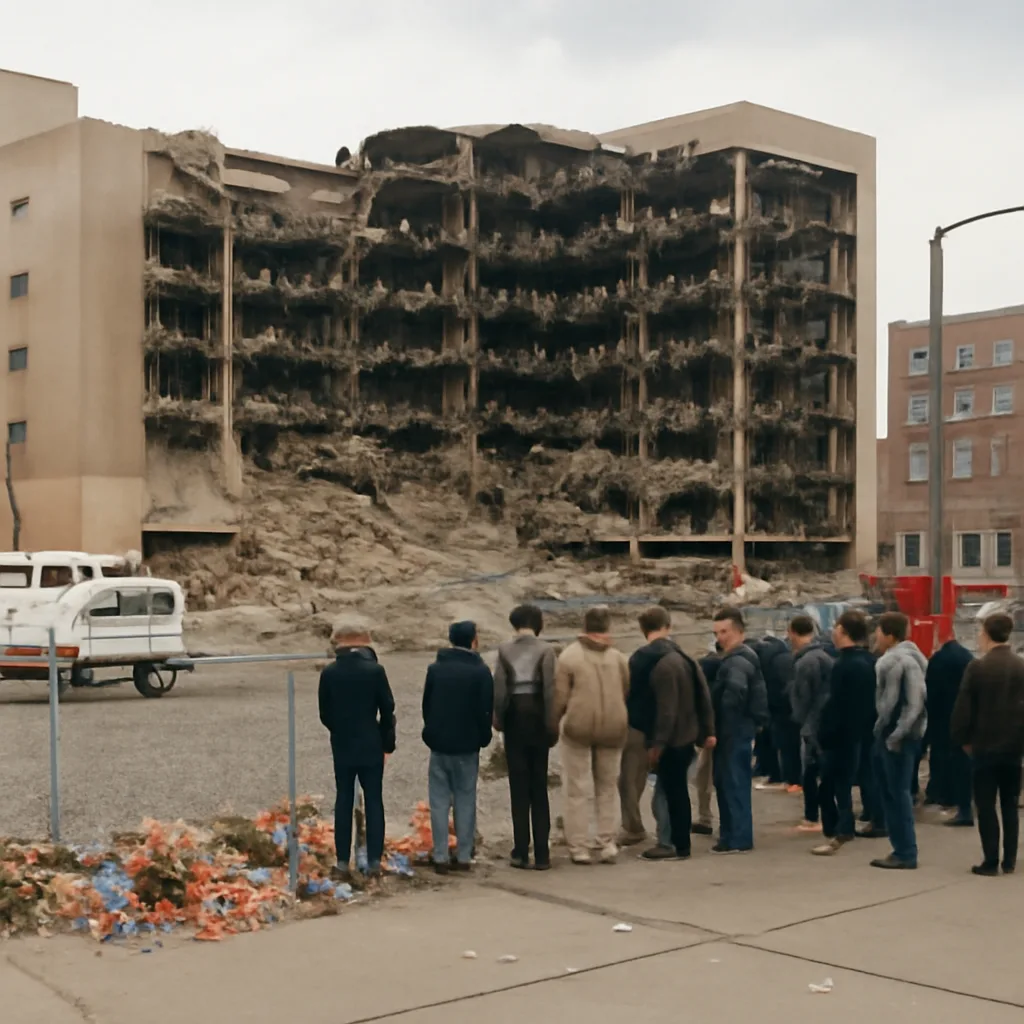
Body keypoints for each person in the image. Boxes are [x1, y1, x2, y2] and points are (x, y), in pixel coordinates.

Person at [628, 607, 715, 861]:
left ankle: (671, 844)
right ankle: (679, 843)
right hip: (687, 735)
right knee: (676, 792)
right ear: (668, 626)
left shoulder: (645, 661)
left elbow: (664, 710)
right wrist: (707, 730)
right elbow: (703, 695)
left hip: (668, 739)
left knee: (666, 795)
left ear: (643, 630)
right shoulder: (683, 657)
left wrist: (657, 744)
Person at [318, 615, 396, 879]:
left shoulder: (329, 672)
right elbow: (388, 710)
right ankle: (374, 860)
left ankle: (342, 860)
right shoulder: (375, 671)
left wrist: (339, 730)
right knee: (374, 800)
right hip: (371, 742)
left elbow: (324, 713)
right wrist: (387, 742)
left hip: (342, 743)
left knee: (343, 799)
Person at [553, 605, 630, 865]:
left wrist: (554, 723)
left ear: (583, 626)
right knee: (608, 787)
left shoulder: (569, 657)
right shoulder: (618, 658)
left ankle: (579, 847)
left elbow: (560, 698)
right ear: (607, 628)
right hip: (614, 726)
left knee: (577, 788)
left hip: (579, 728)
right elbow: (625, 689)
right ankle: (607, 842)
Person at [951, 612, 1024, 876]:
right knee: (1009, 803)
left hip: (984, 745)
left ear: (986, 633)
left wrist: (962, 738)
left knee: (985, 804)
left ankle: (990, 860)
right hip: (1014, 748)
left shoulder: (978, 667)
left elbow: (964, 708)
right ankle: (1010, 860)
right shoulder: (1020, 665)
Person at [422, 621, 494, 874]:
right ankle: (464, 854)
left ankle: (440, 854)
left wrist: (430, 731)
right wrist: (483, 737)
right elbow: (485, 710)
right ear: (473, 641)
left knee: (439, 801)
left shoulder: (435, 669)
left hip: (439, 744)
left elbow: (426, 706)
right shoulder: (481, 672)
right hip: (467, 745)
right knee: (465, 799)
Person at [493, 604, 558, 870]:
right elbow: (551, 689)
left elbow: (499, 689)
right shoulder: (547, 650)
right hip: (538, 717)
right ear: (538, 623)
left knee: (518, 787)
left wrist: (498, 719)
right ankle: (542, 854)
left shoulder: (504, 651)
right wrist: (551, 725)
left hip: (514, 719)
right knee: (539, 786)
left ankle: (520, 851)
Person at [812, 610, 877, 855]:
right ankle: (850, 827)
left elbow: (837, 705)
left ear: (843, 632)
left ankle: (839, 832)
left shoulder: (845, 665)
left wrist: (825, 734)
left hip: (842, 736)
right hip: (864, 733)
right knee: (849, 783)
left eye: (836, 629)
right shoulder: (869, 661)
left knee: (832, 786)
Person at [870, 612, 928, 870]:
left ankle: (904, 851)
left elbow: (911, 704)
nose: (875, 636)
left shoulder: (896, 662)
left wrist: (894, 734)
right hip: (904, 736)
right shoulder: (914, 658)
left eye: (879, 632)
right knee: (895, 792)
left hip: (897, 737)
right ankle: (901, 849)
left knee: (897, 794)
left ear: (889, 635)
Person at [709, 608, 769, 853]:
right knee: (728, 783)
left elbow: (734, 695)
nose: (720, 637)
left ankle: (739, 838)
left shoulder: (738, 661)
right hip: (736, 730)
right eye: (717, 632)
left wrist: (720, 725)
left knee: (733, 784)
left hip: (734, 731)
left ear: (739, 632)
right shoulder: (740, 658)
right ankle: (731, 836)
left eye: (725, 631)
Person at [788, 615, 835, 833]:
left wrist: (798, 719)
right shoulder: (826, 655)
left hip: (810, 724)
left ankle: (812, 817)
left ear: (792, 632)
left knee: (809, 770)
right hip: (826, 721)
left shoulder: (804, 662)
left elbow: (802, 697)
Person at [925, 633, 975, 826]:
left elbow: (931, 692)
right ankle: (962, 799)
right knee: (962, 760)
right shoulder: (968, 657)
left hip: (942, 718)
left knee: (942, 756)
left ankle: (944, 795)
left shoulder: (938, 660)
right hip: (966, 719)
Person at [754, 632, 799, 792]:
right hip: (786, 709)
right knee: (786, 744)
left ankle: (791, 779)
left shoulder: (767, 660)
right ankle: (788, 778)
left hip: (780, 709)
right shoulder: (781, 657)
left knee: (785, 744)